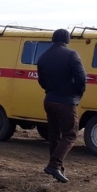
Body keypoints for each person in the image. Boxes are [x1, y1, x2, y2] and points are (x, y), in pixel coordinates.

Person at [36, 29, 86, 183]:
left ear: (52, 39)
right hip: (66, 101)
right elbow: (81, 78)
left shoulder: (43, 56)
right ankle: (54, 165)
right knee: (70, 134)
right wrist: (77, 93)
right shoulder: (71, 54)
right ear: (67, 40)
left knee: (54, 136)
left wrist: (50, 90)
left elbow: (41, 80)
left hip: (49, 99)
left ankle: (58, 169)